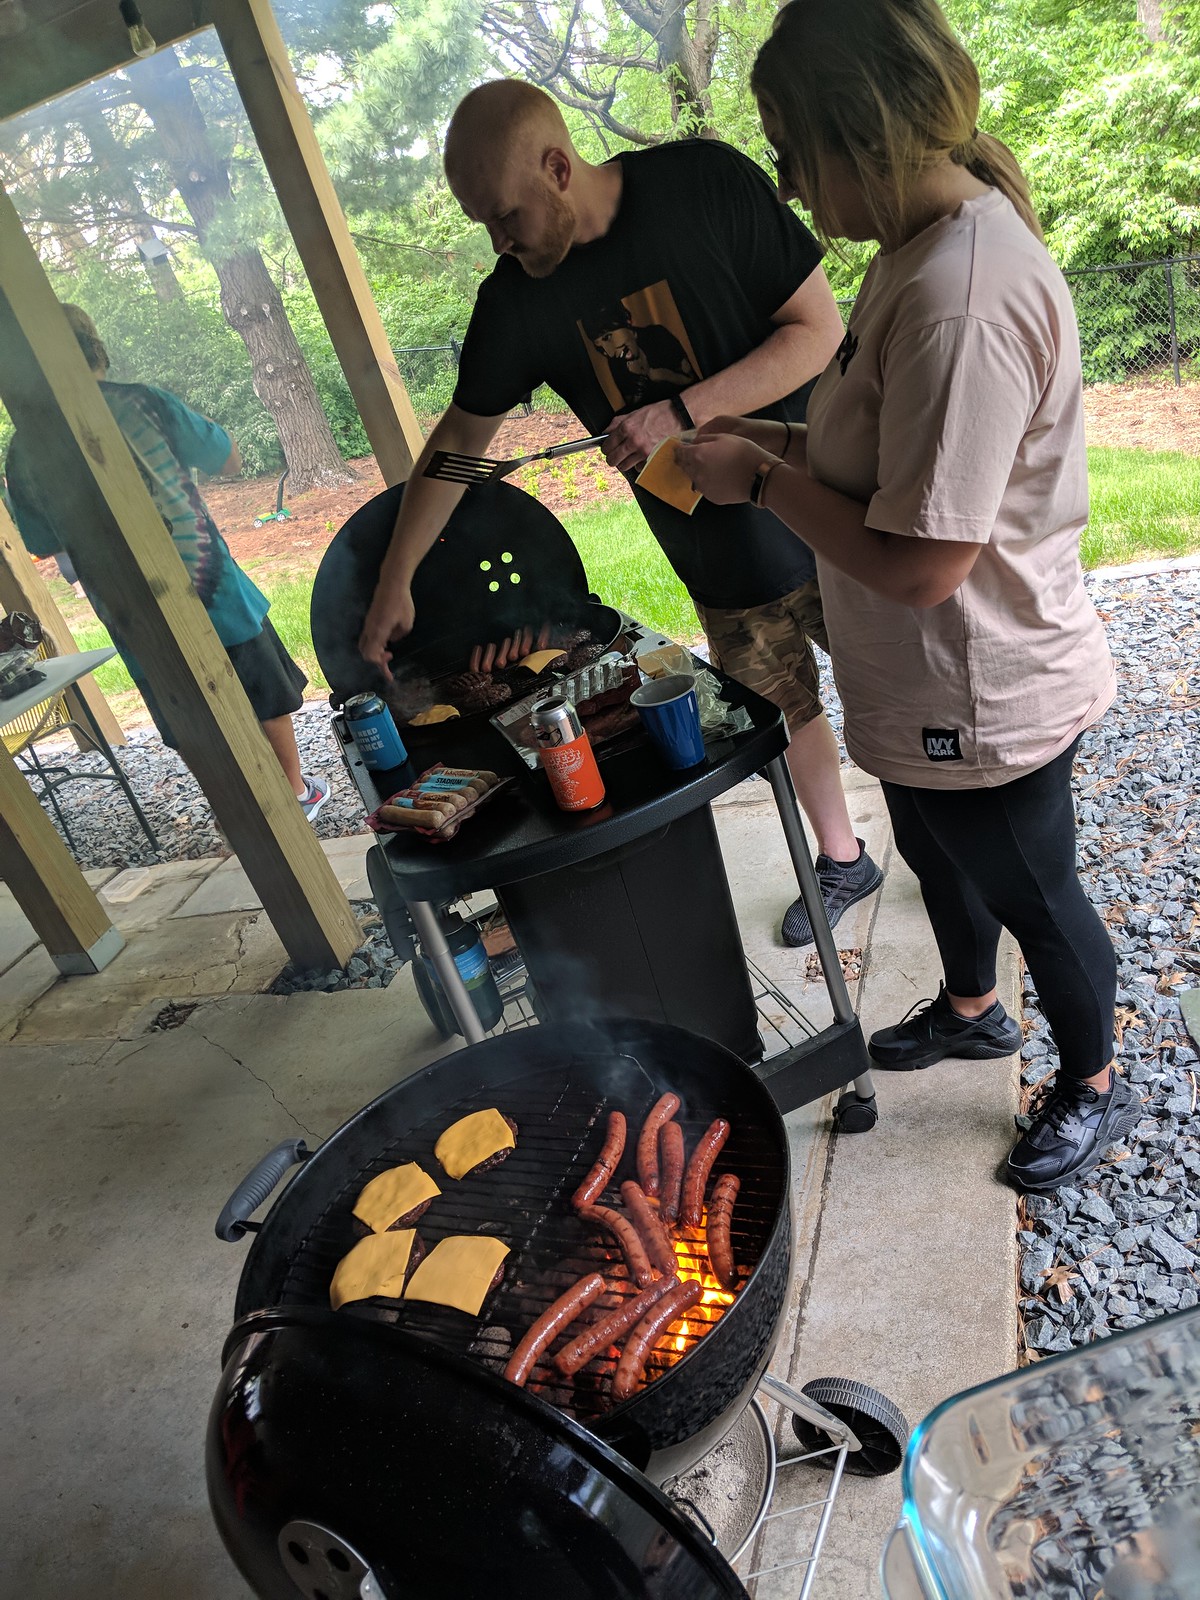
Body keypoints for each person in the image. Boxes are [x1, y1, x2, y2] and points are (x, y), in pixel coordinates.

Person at [678, 0, 1138, 1194]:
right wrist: (772, 439)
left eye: (791, 150)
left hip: (987, 680)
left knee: (1034, 889)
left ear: (862, 134)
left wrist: (761, 482)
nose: (788, 183)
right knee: (936, 851)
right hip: (924, 677)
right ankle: (975, 1010)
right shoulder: (907, 258)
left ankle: (1095, 1084)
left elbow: (927, 560)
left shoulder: (958, 299)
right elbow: (879, 457)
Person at [358, 80, 884, 947]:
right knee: (787, 715)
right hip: (721, 561)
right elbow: (459, 441)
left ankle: (953, 856)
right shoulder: (518, 298)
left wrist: (680, 412)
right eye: (483, 224)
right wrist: (395, 577)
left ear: (558, 167)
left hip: (829, 516)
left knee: (899, 703)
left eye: (506, 216)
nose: (498, 241)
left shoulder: (703, 183)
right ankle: (842, 858)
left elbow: (817, 332)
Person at [5, 305, 329, 824]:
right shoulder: (143, 401)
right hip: (215, 593)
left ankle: (236, 810)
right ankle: (293, 792)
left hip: (132, 615)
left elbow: (43, 541)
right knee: (263, 692)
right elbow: (229, 459)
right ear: (94, 349)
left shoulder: (23, 449)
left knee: (184, 715)